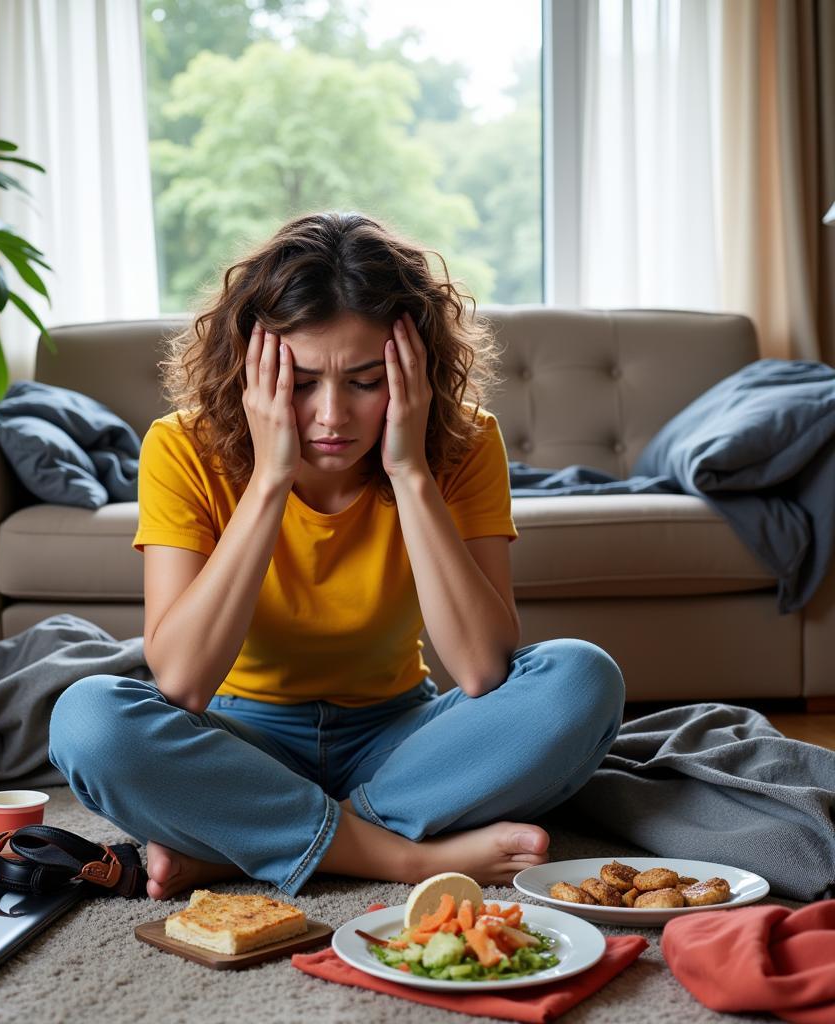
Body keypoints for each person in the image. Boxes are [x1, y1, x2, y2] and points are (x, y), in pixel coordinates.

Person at [48, 211, 625, 902]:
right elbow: (182, 683)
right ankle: (401, 855)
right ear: (249, 374)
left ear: (413, 374)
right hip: (240, 740)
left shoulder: (464, 444)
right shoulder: (182, 446)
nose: (331, 416)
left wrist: (410, 471)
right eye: (300, 383)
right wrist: (268, 479)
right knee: (88, 719)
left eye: (364, 380)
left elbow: (478, 669)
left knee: (584, 678)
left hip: (404, 740)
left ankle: (256, 844)